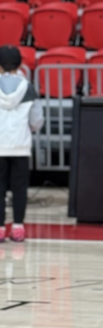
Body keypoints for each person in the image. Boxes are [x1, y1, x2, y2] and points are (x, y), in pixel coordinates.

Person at [0, 44, 43, 244]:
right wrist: (30, 129)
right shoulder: (28, 87)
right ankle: (18, 228)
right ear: (19, 64)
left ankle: (0, 228)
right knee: (19, 188)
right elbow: (36, 120)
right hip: (21, 146)